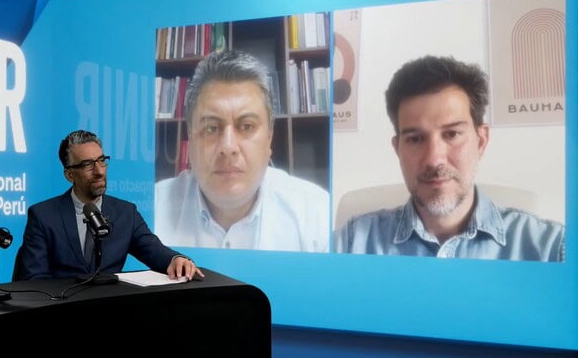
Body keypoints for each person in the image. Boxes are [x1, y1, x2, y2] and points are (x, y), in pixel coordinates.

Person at [333, 55, 564, 261]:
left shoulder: (552, 249)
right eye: (415, 139)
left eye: (452, 134)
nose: (434, 159)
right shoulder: (351, 244)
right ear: (397, 149)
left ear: (481, 141)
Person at [154, 50, 329, 251]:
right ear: (191, 139)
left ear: (269, 138)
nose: (228, 147)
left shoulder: (316, 215)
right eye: (211, 128)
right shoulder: (152, 209)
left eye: (247, 126)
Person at [17, 130, 202, 281]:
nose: (99, 171)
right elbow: (34, 280)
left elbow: (153, 250)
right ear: (69, 175)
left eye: (101, 161)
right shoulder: (43, 216)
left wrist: (176, 259)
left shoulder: (126, 213)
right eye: (87, 164)